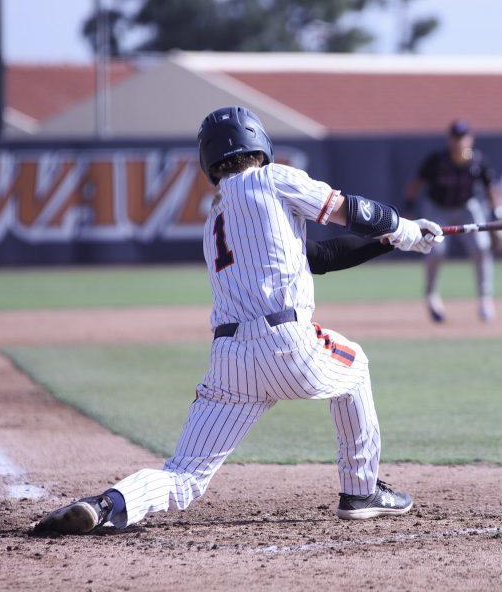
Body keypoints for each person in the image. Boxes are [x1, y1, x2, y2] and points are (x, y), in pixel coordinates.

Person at [31, 106, 443, 534]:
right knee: (354, 367)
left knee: (185, 477)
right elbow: (351, 210)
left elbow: (318, 257)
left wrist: (390, 241)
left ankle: (106, 504)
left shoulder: (214, 222)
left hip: (229, 362)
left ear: (209, 161)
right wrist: (406, 228)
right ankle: (361, 491)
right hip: (288, 345)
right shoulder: (274, 178)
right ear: (258, 144)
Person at [404, 120, 502, 323]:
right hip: (437, 208)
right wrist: (408, 208)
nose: (460, 141)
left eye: (464, 137)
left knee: (482, 248)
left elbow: (491, 189)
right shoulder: (437, 160)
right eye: (456, 137)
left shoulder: (478, 161)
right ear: (449, 139)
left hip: (466, 207)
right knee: (435, 251)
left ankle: (485, 300)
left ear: (471, 139)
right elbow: (416, 184)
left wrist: (499, 215)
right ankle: (431, 296)